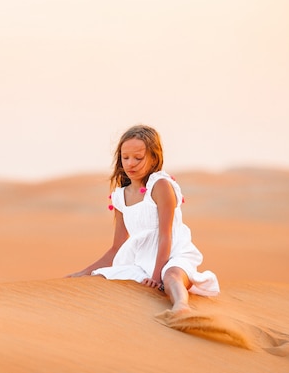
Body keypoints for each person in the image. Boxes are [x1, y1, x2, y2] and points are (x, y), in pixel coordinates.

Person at [67, 124, 219, 316]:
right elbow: (117, 247)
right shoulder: (120, 197)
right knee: (104, 278)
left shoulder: (160, 185)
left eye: (138, 158)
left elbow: (165, 235)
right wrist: (84, 272)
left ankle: (182, 306)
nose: (130, 163)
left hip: (173, 254)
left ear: (154, 158)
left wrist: (156, 278)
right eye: (125, 157)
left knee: (171, 275)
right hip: (141, 262)